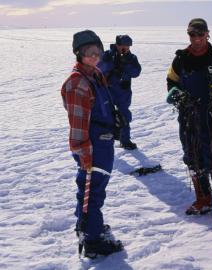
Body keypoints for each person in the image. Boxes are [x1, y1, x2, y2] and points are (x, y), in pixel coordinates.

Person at [166, 18, 212, 226]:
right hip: (188, 117)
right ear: (188, 35)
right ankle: (204, 200)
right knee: (193, 157)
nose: (196, 38)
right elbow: (171, 81)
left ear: (208, 34)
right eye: (192, 34)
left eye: (200, 34)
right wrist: (174, 93)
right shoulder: (180, 59)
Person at [61, 30, 123, 258]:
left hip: (102, 142)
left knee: (92, 188)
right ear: (79, 54)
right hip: (91, 146)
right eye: (89, 53)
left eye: (98, 51)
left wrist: (113, 118)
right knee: (92, 192)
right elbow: (78, 127)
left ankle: (87, 226)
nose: (95, 57)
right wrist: (84, 153)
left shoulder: (94, 73)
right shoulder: (77, 83)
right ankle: (93, 240)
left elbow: (101, 104)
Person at [98, 35, 141, 150]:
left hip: (123, 92)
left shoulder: (132, 58)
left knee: (124, 116)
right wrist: (113, 64)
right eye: (123, 45)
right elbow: (99, 68)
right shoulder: (107, 55)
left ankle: (125, 141)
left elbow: (136, 72)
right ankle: (106, 142)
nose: (126, 48)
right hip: (108, 91)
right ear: (117, 45)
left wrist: (125, 65)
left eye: (128, 46)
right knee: (107, 116)